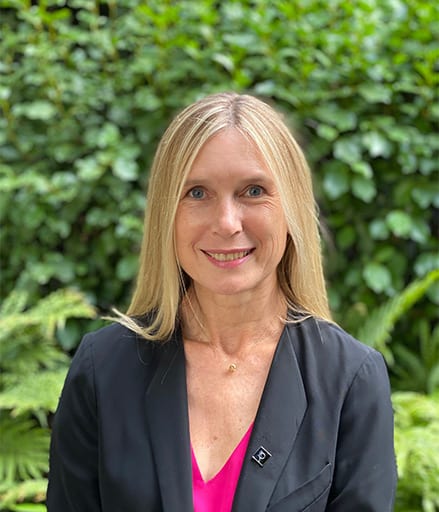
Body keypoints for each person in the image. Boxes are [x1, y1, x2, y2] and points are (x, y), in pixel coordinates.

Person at [47, 92, 397, 511]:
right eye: (197, 193)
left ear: (291, 209)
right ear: (166, 213)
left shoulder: (350, 380)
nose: (227, 223)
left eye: (253, 190)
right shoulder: (102, 370)